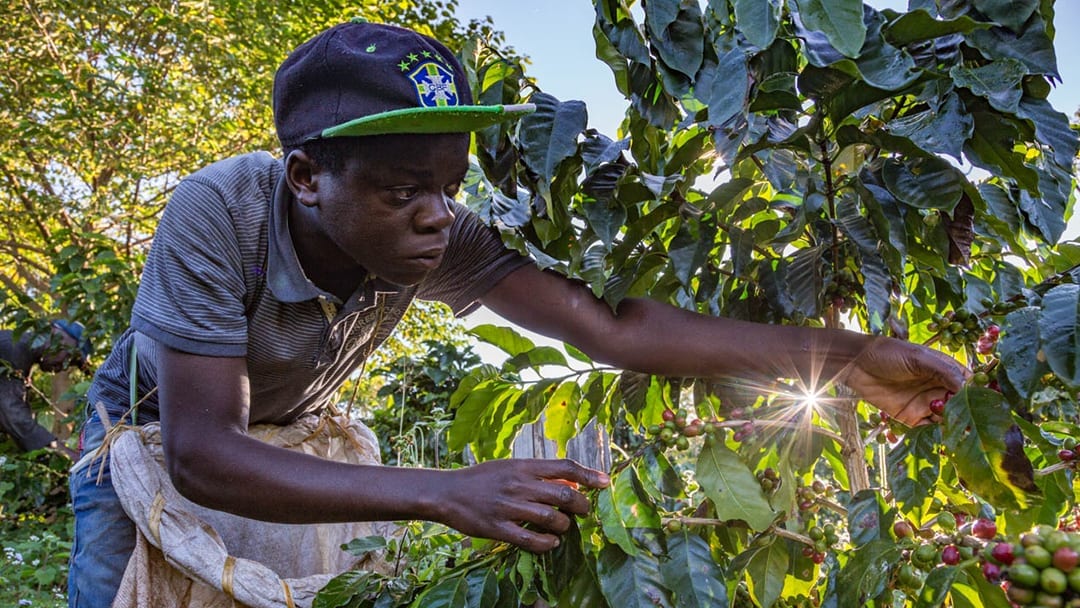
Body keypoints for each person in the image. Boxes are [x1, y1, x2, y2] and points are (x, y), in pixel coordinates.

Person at [66, 20, 968, 606]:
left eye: (452, 186)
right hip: (147, 455)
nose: (438, 212)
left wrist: (848, 357)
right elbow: (201, 454)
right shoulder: (215, 215)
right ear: (307, 178)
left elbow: (614, 330)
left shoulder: (435, 235)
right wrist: (442, 492)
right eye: (404, 189)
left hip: (284, 444)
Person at [1, 320, 90, 459]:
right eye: (68, 357)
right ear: (55, 334)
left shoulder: (21, 357)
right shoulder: (13, 349)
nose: (63, 367)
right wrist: (68, 455)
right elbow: (15, 417)